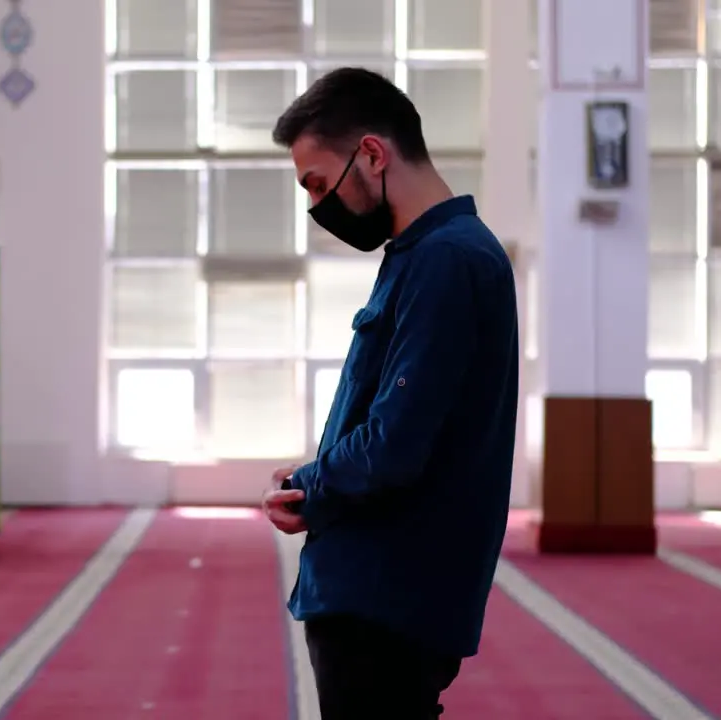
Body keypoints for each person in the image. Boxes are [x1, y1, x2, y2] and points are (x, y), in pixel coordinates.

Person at [261, 67, 519, 719]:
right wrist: (310, 477)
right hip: (388, 594)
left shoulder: (445, 260)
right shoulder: (423, 254)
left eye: (320, 184)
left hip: (385, 599)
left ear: (372, 154)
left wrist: (313, 487)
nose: (319, 207)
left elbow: (396, 443)